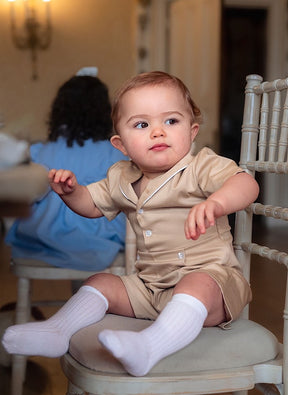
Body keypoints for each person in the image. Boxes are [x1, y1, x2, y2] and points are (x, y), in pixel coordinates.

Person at [2, 71, 259, 377]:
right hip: (149, 287)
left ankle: (150, 346)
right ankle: (57, 330)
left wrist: (217, 203)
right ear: (120, 144)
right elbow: (92, 205)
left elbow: (245, 184)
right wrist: (72, 192)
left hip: (214, 286)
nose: (158, 132)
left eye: (171, 121)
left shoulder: (200, 166)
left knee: (196, 284)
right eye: (141, 124)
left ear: (192, 131)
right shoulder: (121, 176)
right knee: (100, 282)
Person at [5, 74, 127, 271]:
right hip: (97, 237)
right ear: (104, 112)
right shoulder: (115, 152)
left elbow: (27, 195)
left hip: (44, 236)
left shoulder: (39, 151)